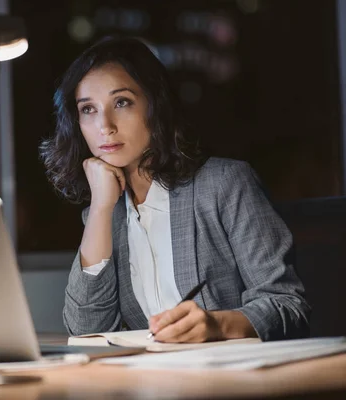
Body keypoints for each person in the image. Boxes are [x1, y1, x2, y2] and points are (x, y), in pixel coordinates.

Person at [39, 36, 310, 343]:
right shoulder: (105, 214)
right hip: (153, 382)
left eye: (122, 102)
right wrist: (101, 207)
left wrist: (217, 325)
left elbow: (289, 307)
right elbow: (86, 330)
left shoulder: (224, 183)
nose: (105, 125)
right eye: (88, 109)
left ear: (156, 105)